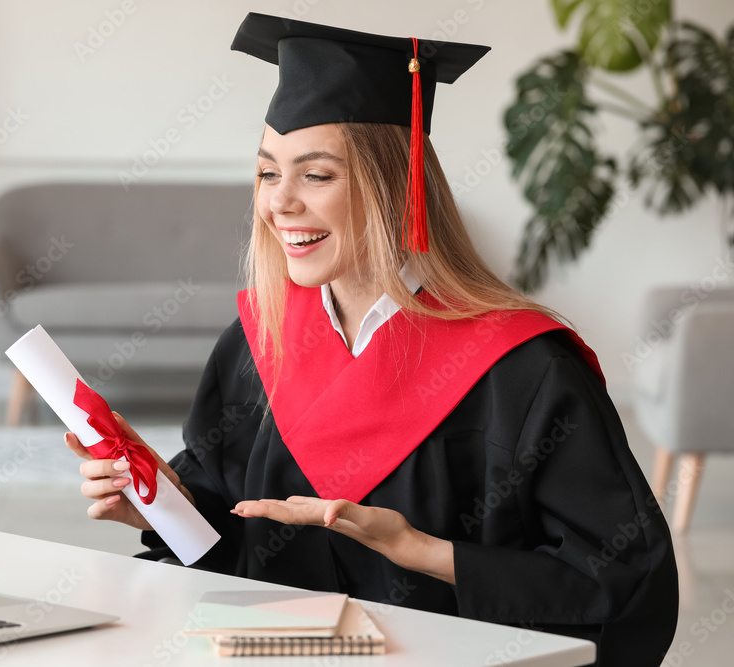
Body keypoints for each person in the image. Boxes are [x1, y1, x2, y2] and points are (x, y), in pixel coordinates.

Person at [66, 12, 679, 666]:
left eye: (317, 174)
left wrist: (425, 552)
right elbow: (231, 547)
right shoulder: (256, 346)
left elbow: (626, 585)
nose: (279, 203)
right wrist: (161, 506)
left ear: (395, 186)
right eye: (268, 172)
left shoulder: (521, 369)